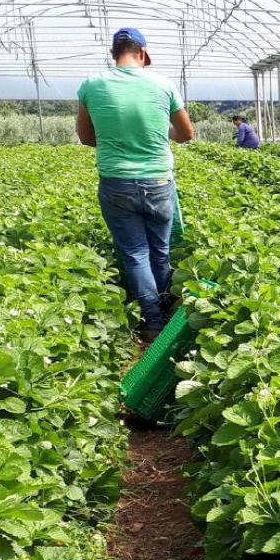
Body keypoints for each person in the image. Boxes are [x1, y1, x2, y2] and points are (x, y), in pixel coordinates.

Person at [76, 27, 195, 343]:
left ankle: (152, 322)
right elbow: (186, 134)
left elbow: (87, 138)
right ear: (142, 54)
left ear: (115, 54)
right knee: (160, 250)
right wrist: (161, 132)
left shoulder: (92, 86)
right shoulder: (162, 84)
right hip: (158, 180)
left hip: (116, 183)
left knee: (134, 253)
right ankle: (169, 310)